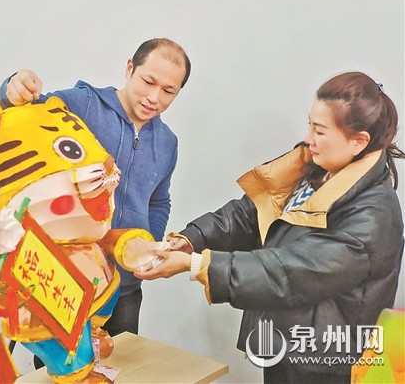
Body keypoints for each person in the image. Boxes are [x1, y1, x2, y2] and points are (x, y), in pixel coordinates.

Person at [135, 71, 405, 383]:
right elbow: (249, 214)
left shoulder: (373, 216)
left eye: (320, 131)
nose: (308, 139)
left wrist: (194, 264)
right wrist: (190, 238)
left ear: (359, 141)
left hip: (325, 362)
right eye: (310, 125)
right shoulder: (317, 169)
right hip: (285, 341)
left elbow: (292, 270)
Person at [0, 38, 191, 340]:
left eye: (168, 91)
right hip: (66, 280)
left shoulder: (167, 142)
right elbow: (24, 111)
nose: (154, 98)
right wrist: (13, 87)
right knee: (64, 364)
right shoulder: (84, 105)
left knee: (123, 360)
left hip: (124, 286)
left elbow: (158, 201)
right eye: (148, 82)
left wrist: (147, 245)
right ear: (129, 68)